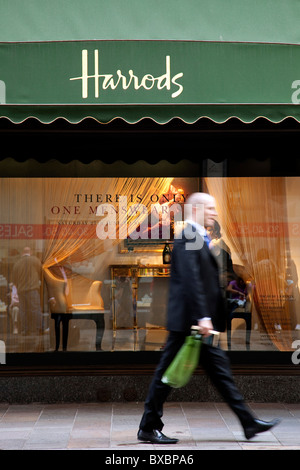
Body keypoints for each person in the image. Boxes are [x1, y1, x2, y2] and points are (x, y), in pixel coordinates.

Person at [137, 192, 280, 444]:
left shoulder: (198, 237)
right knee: (167, 375)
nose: (214, 212)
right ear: (196, 210)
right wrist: (202, 317)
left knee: (219, 373)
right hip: (189, 322)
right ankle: (148, 427)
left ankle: (248, 422)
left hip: (195, 323)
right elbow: (191, 280)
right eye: (210, 208)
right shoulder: (189, 237)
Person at [12, 247, 43, 336]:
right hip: (32, 289)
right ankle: (39, 329)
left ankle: (25, 330)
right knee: (35, 309)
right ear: (31, 252)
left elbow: (14, 279)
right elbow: (41, 272)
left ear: (22, 253)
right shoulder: (35, 260)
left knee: (24, 311)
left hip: (21, 290)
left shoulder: (17, 263)